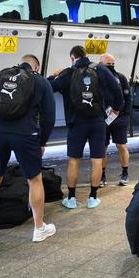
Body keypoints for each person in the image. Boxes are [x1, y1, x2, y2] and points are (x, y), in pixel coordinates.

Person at [0, 54, 56, 247]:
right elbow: (49, 117)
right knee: (34, 179)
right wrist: (42, 141)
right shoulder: (40, 81)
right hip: (25, 133)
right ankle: (39, 229)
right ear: (36, 68)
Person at [49, 46, 123, 209]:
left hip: (76, 123)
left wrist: (53, 76)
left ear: (72, 58)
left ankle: (72, 199)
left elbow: (48, 88)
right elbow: (117, 90)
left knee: (74, 160)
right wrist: (116, 108)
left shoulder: (67, 73)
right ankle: (92, 198)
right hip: (97, 121)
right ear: (86, 56)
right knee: (97, 159)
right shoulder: (100, 70)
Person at [99, 53, 132, 187]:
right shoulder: (96, 78)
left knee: (121, 146)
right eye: (108, 64)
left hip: (120, 118)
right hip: (103, 119)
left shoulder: (121, 78)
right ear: (101, 64)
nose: (111, 66)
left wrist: (126, 115)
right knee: (102, 148)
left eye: (113, 64)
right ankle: (101, 175)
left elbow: (128, 97)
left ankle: (125, 173)